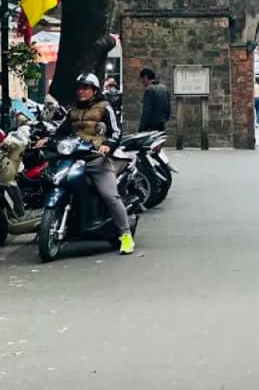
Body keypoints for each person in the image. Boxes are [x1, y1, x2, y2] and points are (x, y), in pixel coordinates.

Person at [37, 73, 135, 255]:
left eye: (86, 88)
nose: (81, 91)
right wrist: (48, 140)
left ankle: (126, 235)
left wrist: (108, 145)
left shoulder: (105, 107)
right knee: (53, 181)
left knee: (109, 195)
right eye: (79, 88)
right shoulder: (72, 110)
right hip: (72, 158)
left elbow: (115, 132)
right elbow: (61, 131)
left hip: (95, 159)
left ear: (94, 90)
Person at [139, 67, 171, 132]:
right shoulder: (164, 88)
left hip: (151, 128)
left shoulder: (149, 89)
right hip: (162, 126)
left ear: (145, 77)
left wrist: (142, 128)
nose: (142, 82)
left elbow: (146, 110)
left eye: (142, 79)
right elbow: (168, 108)